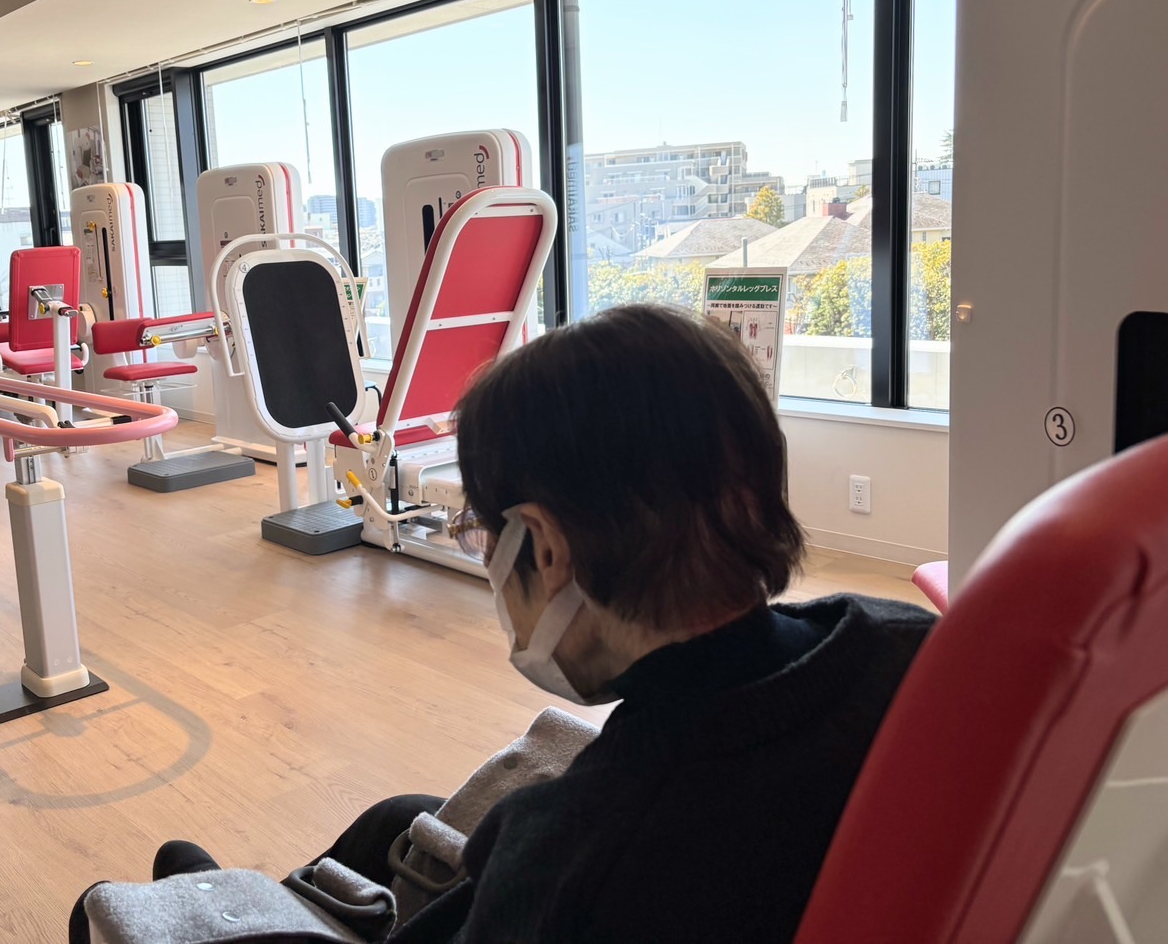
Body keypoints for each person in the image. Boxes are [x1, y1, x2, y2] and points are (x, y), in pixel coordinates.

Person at [73, 303, 936, 942]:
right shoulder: (908, 647)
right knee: (397, 818)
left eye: (483, 533)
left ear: (546, 548)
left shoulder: (571, 851)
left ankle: (248, 908)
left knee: (107, 909)